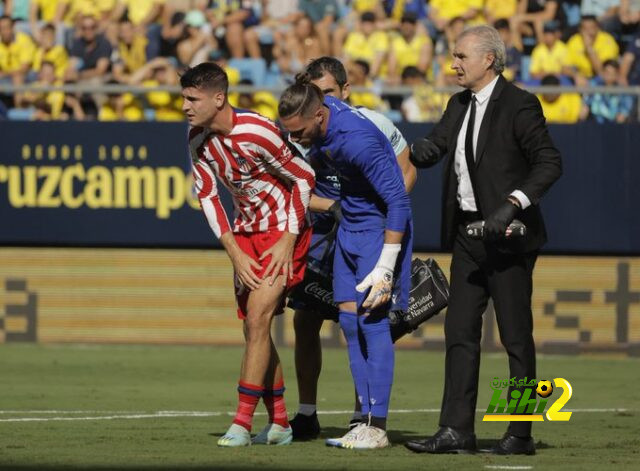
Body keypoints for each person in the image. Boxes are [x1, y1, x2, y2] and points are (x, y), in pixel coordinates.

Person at [405, 25, 562, 455]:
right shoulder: (457, 104)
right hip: (467, 237)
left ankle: (520, 433)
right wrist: (411, 149)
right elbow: (435, 147)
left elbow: (549, 162)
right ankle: (456, 429)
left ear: (488, 60)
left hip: (509, 237)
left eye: (460, 56)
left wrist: (512, 205)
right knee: (459, 333)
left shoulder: (520, 104)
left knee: (515, 337)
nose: (453, 63)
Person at [181, 62, 315, 447]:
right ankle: (281, 424)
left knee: (258, 320)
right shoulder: (197, 140)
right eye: (184, 98)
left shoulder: (257, 130)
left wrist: (288, 239)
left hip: (284, 230)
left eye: (193, 98)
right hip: (247, 235)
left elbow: (305, 177)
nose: (186, 106)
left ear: (219, 98)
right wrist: (234, 251)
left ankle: (241, 423)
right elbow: (208, 197)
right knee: (252, 328)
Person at [285, 56, 416, 442]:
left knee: (372, 324)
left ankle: (377, 425)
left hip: (376, 233)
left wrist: (388, 265)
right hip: (346, 230)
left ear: (322, 114)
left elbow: (399, 201)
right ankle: (360, 424)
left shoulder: (359, 139)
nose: (296, 139)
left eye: (299, 131)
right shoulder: (318, 128)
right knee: (348, 322)